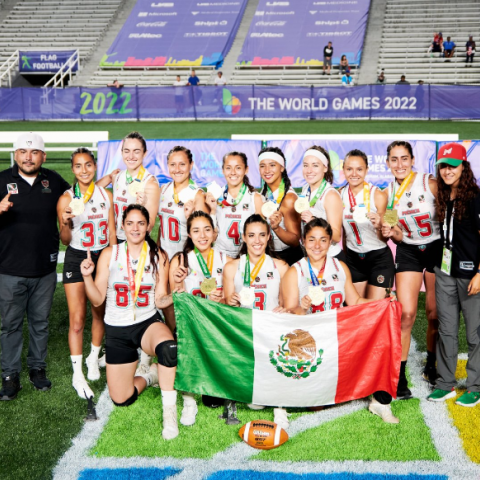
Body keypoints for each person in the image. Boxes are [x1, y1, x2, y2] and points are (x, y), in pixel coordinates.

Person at [282, 218, 399, 423]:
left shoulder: (340, 267)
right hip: (310, 341)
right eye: (311, 240)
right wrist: (303, 307)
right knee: (317, 404)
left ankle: (380, 401)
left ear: (330, 243)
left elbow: (354, 301)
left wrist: (382, 304)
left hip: (338, 337)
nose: (317, 246)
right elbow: (290, 316)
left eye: (323, 240)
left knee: (382, 333)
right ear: (303, 241)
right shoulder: (295, 271)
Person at [81, 205, 180, 439]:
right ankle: (149, 375)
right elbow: (97, 300)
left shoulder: (158, 256)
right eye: (130, 223)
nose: (135, 228)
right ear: (122, 226)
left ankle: (170, 413)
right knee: (122, 398)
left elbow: (160, 299)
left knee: (168, 348)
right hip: (116, 328)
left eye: (141, 223)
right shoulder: (110, 254)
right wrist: (87, 277)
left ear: (148, 226)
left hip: (146, 323)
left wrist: (178, 292)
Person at [0, 132, 70, 400]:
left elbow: (78, 196)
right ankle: (10, 375)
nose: (28, 157)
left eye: (34, 153)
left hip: (44, 268)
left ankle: (37, 369)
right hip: (8, 269)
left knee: (40, 323)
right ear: (15, 154)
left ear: (43, 156)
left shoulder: (53, 180)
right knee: (10, 325)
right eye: (22, 152)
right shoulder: (2, 180)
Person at [381, 141, 441, 399]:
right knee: (405, 314)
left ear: (413, 159)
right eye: (394, 159)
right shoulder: (389, 193)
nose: (399, 164)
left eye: (404, 158)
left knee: (434, 314)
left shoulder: (429, 183)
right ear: (387, 163)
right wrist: (390, 231)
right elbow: (396, 236)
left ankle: (431, 366)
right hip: (409, 250)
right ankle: (400, 373)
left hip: (437, 247)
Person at [98, 131, 160, 374]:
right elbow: (97, 194)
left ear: (144, 154)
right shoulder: (119, 177)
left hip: (139, 246)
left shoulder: (150, 182)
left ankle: (145, 352)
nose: (131, 155)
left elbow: (150, 222)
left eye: (136, 151)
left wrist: (143, 204)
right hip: (118, 247)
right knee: (116, 294)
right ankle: (116, 343)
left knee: (141, 292)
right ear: (121, 153)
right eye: (126, 151)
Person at [57, 148, 116, 399]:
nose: (84, 170)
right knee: (77, 318)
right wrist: (65, 221)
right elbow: (64, 239)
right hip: (76, 256)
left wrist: (113, 258)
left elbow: (112, 232)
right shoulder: (66, 198)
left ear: (95, 167)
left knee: (99, 311)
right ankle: (77, 372)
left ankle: (93, 357)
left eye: (88, 165)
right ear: (73, 169)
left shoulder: (106, 194)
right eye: (79, 166)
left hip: (102, 255)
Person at [223, 214, 290, 427]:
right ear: (243, 237)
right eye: (251, 235)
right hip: (244, 333)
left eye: (262, 235)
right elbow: (225, 311)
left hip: (271, 333)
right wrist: (229, 301)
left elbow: (289, 304)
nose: (257, 240)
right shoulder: (232, 267)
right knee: (253, 400)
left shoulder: (280, 266)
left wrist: (285, 309)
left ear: (269, 236)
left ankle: (280, 407)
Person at [427, 143, 480, 406]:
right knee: (447, 331)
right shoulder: (442, 195)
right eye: (444, 166)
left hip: (471, 276)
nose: (448, 171)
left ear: (464, 166)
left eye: (453, 166)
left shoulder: (474, 197)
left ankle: (475, 386)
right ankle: (445, 383)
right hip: (445, 272)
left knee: (474, 334)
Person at [340, 149, 395, 300]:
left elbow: (386, 236)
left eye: (359, 169)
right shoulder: (339, 195)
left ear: (367, 170)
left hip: (378, 258)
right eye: (349, 169)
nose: (354, 174)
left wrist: (379, 225)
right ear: (343, 170)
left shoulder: (378, 195)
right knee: (357, 313)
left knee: (375, 310)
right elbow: (343, 234)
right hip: (353, 259)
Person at [206, 151, 263, 260]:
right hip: (219, 255)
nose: (233, 172)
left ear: (246, 170)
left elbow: (261, 234)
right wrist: (212, 211)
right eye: (228, 168)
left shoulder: (254, 198)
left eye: (238, 168)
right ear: (222, 170)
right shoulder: (216, 196)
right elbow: (210, 236)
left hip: (246, 256)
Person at [158, 146, 208, 261]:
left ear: (191, 165)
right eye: (172, 164)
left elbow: (205, 235)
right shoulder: (163, 190)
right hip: (164, 257)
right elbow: (163, 225)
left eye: (182, 164)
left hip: (187, 259)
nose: (177, 169)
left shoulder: (198, 195)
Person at [300, 145, 345, 261]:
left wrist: (313, 221)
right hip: (311, 255)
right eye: (306, 165)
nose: (309, 170)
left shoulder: (330, 195)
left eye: (315, 165)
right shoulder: (305, 190)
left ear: (325, 168)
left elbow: (336, 236)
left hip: (330, 258)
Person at [258, 147, 302, 265]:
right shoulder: (263, 193)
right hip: (268, 255)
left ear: (282, 168)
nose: (267, 170)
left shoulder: (289, 198)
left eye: (272, 165)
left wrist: (277, 228)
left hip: (288, 257)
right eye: (262, 166)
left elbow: (295, 241)